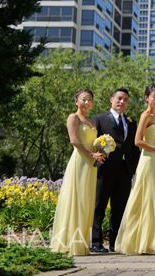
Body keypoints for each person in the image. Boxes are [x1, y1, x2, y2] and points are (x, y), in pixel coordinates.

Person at [115, 84, 155, 255]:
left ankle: (150, 242)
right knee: (142, 197)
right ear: (147, 98)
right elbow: (138, 141)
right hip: (147, 160)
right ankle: (134, 241)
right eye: (154, 96)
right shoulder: (145, 116)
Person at [50, 89, 106, 256]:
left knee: (87, 201)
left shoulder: (91, 120)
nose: (87, 102)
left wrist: (101, 150)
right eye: (84, 99)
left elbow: (92, 142)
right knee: (76, 199)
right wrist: (91, 154)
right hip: (80, 161)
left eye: (90, 100)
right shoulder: (73, 118)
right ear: (76, 102)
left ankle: (82, 243)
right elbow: (74, 140)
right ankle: (69, 242)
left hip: (91, 164)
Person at [91, 88, 140, 253]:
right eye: (119, 98)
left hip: (124, 171)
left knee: (119, 208)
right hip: (105, 169)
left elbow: (134, 147)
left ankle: (115, 242)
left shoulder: (131, 121)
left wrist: (132, 167)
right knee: (99, 206)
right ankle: (95, 241)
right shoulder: (99, 119)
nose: (122, 102)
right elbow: (93, 142)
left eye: (125, 99)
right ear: (111, 99)